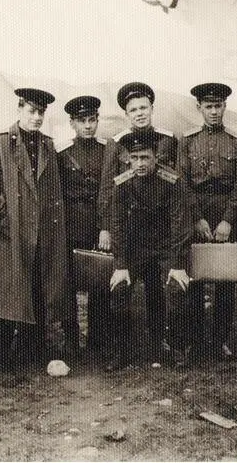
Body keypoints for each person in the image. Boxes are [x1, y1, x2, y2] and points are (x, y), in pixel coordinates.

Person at [0, 88, 69, 376]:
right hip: (14, 231)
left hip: (43, 231)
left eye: (41, 113)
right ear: (19, 110)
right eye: (32, 111)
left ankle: (29, 349)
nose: (37, 117)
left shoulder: (48, 146)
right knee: (10, 290)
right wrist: (4, 213)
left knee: (39, 287)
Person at [97, 82, 178, 346]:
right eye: (133, 110)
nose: (140, 113)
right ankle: (122, 343)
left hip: (161, 224)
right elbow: (108, 187)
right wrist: (105, 226)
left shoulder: (168, 139)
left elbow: (177, 181)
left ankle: (159, 340)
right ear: (126, 114)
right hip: (130, 227)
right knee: (122, 285)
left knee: (157, 288)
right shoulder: (116, 143)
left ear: (152, 108)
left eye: (144, 107)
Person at [108, 129, 193, 370]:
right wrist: (120, 265)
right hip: (136, 250)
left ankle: (176, 348)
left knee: (177, 289)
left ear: (156, 156)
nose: (139, 164)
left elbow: (180, 225)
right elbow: (117, 225)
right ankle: (122, 352)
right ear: (128, 159)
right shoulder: (122, 185)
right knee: (119, 289)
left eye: (145, 157)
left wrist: (177, 265)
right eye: (134, 158)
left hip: (167, 248)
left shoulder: (172, 182)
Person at [176, 83, 237, 359]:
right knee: (195, 278)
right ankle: (195, 341)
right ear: (199, 108)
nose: (214, 111)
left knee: (225, 280)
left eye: (218, 106)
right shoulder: (188, 140)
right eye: (209, 106)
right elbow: (182, 182)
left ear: (225, 107)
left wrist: (228, 220)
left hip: (227, 211)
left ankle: (219, 341)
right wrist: (196, 218)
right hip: (197, 211)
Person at [56, 95, 110, 355]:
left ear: (97, 120)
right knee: (68, 282)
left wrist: (105, 226)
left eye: (92, 120)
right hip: (70, 223)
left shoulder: (107, 150)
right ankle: (71, 337)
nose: (88, 126)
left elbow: (110, 192)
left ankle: (98, 337)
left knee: (100, 278)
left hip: (98, 223)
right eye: (82, 121)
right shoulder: (62, 153)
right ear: (72, 123)